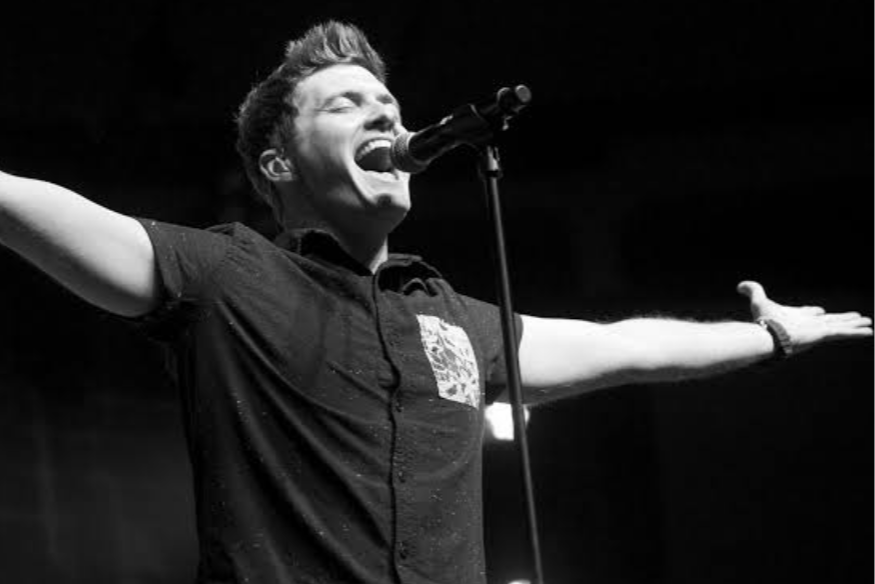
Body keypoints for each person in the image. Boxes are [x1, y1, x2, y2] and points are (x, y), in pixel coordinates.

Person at [0, 20, 870, 584]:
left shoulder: (452, 318)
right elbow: (42, 211)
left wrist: (772, 338)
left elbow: (628, 346)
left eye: (387, 103)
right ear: (278, 163)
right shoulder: (225, 276)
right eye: (346, 105)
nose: (384, 117)